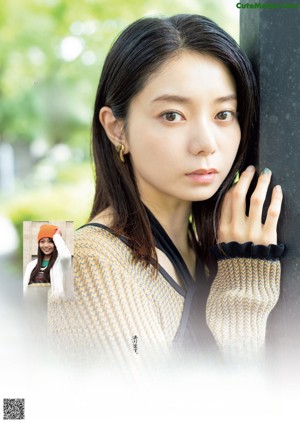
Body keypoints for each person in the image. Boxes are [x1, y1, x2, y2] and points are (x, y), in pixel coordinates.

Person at [49, 14, 284, 366]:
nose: (206, 143)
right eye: (172, 115)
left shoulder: (204, 247)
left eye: (223, 114)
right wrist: (242, 297)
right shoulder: (85, 260)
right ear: (117, 129)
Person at [23, 224, 72, 299]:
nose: (46, 245)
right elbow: (25, 289)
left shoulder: (60, 263)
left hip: (53, 307)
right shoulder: (31, 265)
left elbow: (66, 256)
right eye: (42, 242)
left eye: (50, 242)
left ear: (55, 243)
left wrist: (57, 237)